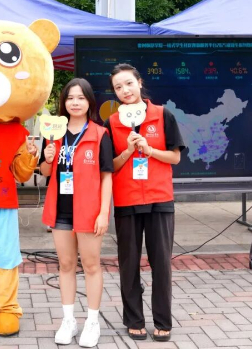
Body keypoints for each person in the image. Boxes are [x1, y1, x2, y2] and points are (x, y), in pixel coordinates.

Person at [104, 63, 185, 342]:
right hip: (126, 200)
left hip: (159, 198)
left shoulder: (163, 115)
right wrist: (129, 150)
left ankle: (163, 320)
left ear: (139, 82)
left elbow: (175, 157)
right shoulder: (111, 123)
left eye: (128, 83)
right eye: (118, 87)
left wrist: (149, 150)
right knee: (129, 264)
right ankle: (134, 319)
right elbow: (110, 166)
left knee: (161, 263)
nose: (125, 90)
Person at [40, 78, 113, 347]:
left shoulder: (100, 134)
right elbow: (45, 172)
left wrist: (103, 213)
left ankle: (92, 322)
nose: (75, 102)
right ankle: (68, 320)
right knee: (66, 265)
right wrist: (48, 157)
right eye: (70, 98)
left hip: (89, 211)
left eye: (81, 98)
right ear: (64, 102)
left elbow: (107, 176)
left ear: (89, 101)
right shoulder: (54, 132)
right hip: (61, 210)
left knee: (91, 266)